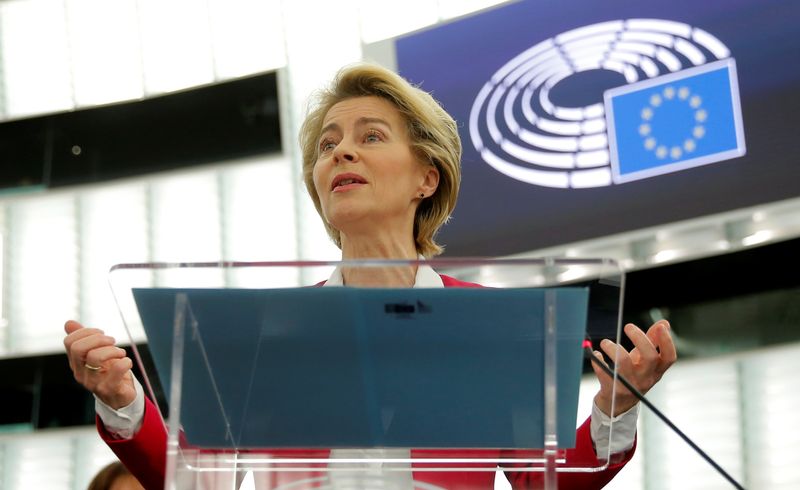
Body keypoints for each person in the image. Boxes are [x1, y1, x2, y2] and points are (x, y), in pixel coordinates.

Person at [63, 63, 676, 489]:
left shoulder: (491, 325)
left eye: (370, 136)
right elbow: (195, 482)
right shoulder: (264, 333)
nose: (340, 153)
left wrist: (614, 406)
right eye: (327, 146)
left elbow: (546, 483)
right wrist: (124, 402)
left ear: (425, 178)